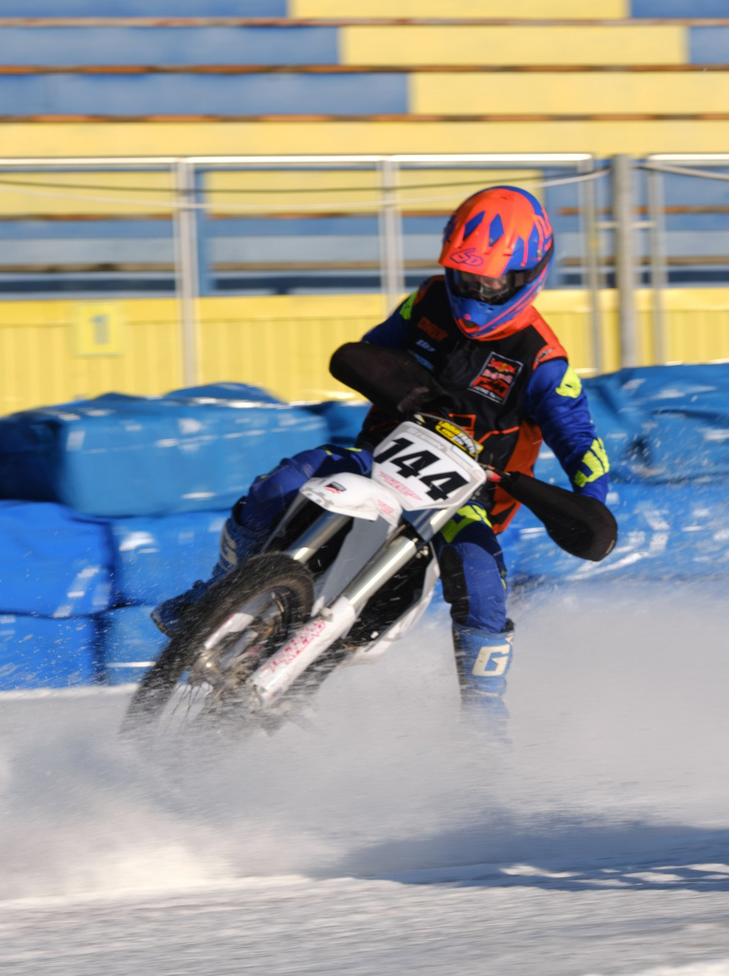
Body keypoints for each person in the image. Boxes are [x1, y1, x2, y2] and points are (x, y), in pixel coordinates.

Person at [155, 185, 612, 725]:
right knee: (280, 483)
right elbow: (372, 350)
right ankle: (213, 595)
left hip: (462, 496)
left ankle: (486, 719)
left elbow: (585, 448)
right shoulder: (427, 301)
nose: (473, 291)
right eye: (465, 277)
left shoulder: (544, 363)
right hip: (378, 455)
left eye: (489, 282)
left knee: (482, 579)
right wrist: (393, 381)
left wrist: (591, 504)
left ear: (526, 274)